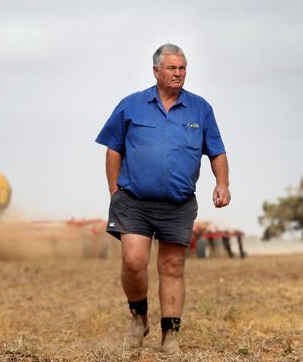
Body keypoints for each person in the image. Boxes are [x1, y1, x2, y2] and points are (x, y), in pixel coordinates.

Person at [95, 43, 230, 354]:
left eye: (182, 68)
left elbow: (217, 151)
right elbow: (113, 148)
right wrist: (114, 191)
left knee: (172, 266)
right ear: (155, 71)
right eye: (172, 68)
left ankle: (170, 336)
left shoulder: (200, 109)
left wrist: (222, 183)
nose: (178, 73)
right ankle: (138, 317)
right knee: (133, 261)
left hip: (178, 203)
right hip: (133, 201)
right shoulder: (130, 106)